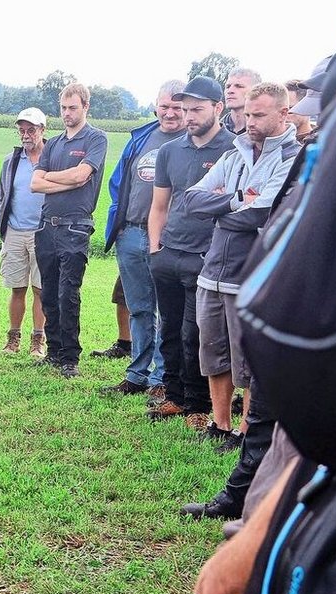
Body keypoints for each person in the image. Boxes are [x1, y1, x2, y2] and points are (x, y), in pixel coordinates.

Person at [179, 82, 300, 455]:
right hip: (212, 271)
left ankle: (246, 430)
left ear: (283, 113)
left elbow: (263, 213)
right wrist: (235, 201)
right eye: (247, 114)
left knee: (247, 358)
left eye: (259, 115)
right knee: (212, 351)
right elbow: (190, 200)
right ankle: (220, 424)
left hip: (252, 276)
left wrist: (220, 209)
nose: (250, 121)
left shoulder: (292, 159)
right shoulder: (234, 154)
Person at [148, 76, 233, 426]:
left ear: (218, 108)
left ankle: (198, 405)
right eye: (185, 110)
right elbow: (159, 205)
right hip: (169, 252)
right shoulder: (170, 151)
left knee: (196, 334)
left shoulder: (234, 149)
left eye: (197, 109)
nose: (189, 116)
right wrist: (155, 249)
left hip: (207, 256)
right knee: (168, 330)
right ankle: (174, 396)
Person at [101, 81, 187, 397]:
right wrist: (119, 223)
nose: (170, 113)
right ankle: (137, 374)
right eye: (165, 106)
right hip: (130, 233)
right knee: (138, 308)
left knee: (167, 313)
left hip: (168, 239)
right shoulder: (141, 138)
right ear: (155, 107)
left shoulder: (190, 142)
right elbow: (118, 182)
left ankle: (161, 378)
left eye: (177, 107)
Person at [31, 82, 109, 378]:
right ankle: (53, 351)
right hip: (46, 226)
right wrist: (67, 179)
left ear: (85, 107)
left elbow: (82, 175)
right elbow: (35, 183)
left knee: (68, 294)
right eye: (63, 108)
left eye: (73, 107)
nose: (67, 113)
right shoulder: (53, 144)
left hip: (75, 227)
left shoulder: (96, 139)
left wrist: (52, 177)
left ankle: (70, 357)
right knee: (49, 293)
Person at [0, 108, 48, 356]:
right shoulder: (11, 161)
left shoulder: (53, 158)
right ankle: (13, 339)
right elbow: (1, 195)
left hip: (43, 233)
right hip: (15, 231)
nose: (26, 135)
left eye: (31, 130)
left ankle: (38, 340)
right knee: (17, 288)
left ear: (42, 130)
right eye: (22, 130)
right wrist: (4, 227)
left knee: (40, 289)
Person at [221, 67, 262, 135]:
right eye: (228, 86)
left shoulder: (265, 130)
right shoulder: (214, 131)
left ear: (256, 91)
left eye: (239, 86)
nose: (230, 91)